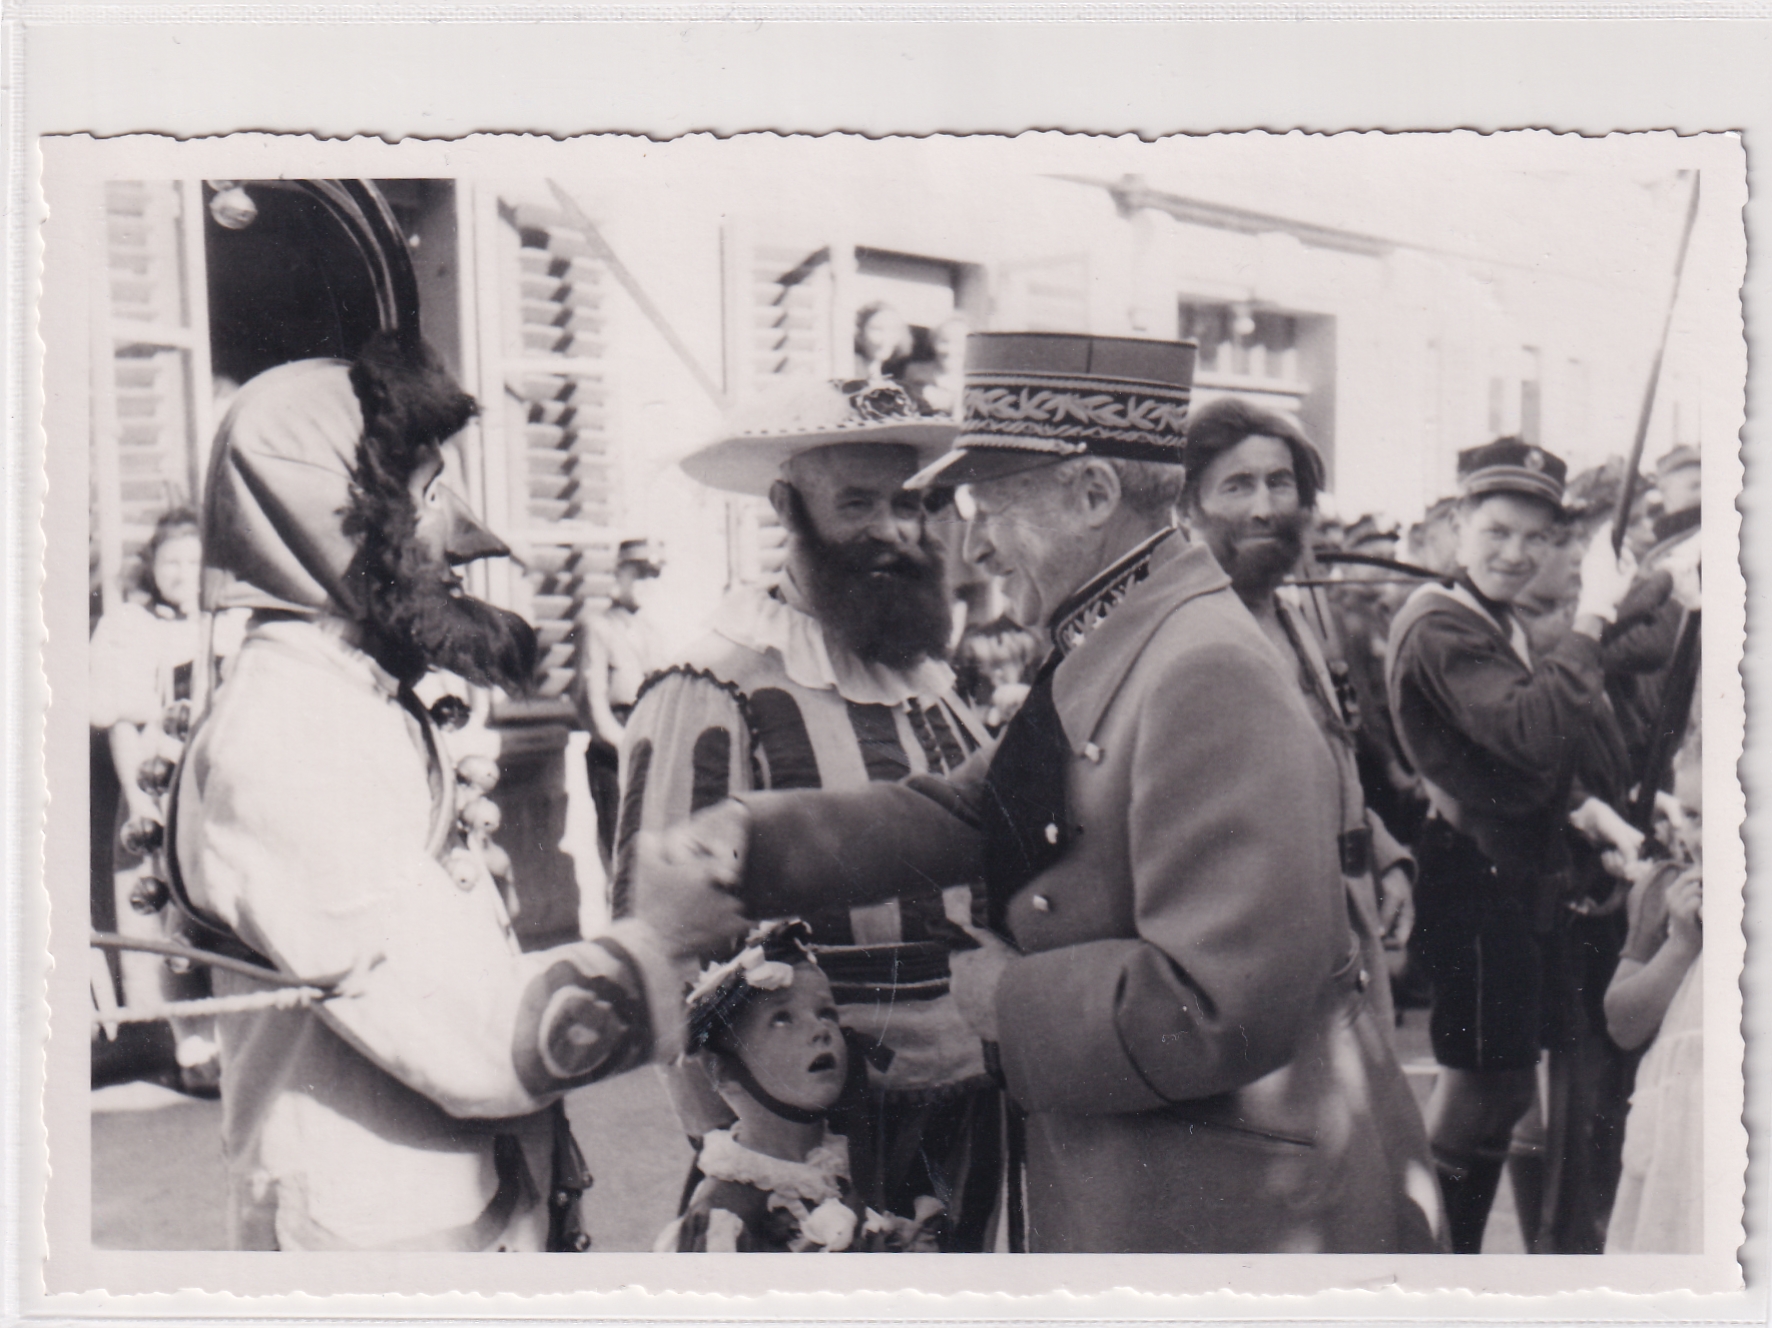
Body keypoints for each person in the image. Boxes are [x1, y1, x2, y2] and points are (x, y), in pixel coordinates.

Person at [646, 332, 1446, 1253]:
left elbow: (1220, 1005)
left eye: (992, 509)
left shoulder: (1201, 669)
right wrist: (753, 841)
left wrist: (1006, 1002)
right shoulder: (1127, 636)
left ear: (1094, 494)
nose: (973, 547)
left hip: (1227, 1211)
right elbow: (967, 809)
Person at [171, 334, 747, 1251]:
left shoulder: (345, 698)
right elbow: (478, 1038)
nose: (464, 534)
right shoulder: (288, 735)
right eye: (428, 491)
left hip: (449, 1211)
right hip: (376, 1244)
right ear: (332, 513)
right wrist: (663, 940)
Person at [615, 375, 1000, 1248]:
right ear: (788, 508)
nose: (895, 531)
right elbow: (665, 952)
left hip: (971, 1103)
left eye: (909, 502)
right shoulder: (714, 684)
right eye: (858, 504)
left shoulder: (933, 684)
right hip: (822, 1134)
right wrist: (759, 1161)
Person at [1385, 437, 1640, 1253]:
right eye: (1497, 531)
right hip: (1472, 881)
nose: (1516, 553)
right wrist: (1595, 617)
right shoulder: (1441, 628)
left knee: (1500, 1093)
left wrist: (1584, 811)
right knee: (1476, 1093)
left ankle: (1443, 1263)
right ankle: (1426, 1271)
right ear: (1459, 523)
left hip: (1506, 874)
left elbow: (1505, 762)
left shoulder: (1488, 618)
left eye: (1536, 538)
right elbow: (1530, 733)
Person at [1179, 397, 1417, 1030]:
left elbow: (1325, 765)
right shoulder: (1188, 630)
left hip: (1346, 925)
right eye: (1236, 486)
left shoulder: (1295, 618)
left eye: (1280, 483)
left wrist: (1384, 854)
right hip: (1263, 952)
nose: (1264, 507)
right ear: (1189, 507)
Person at [657, 920, 944, 1252]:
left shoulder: (845, 1166)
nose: (819, 1030)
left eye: (826, 1013)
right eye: (782, 1019)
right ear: (723, 1070)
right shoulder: (723, 1220)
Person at [90, 507, 219, 1087]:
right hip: (158, 789)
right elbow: (121, 721)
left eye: (193, 562)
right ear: (153, 567)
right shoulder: (131, 628)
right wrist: (141, 804)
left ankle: (224, 1037)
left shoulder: (225, 625)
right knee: (165, 916)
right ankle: (187, 1046)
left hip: (215, 789)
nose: (183, 573)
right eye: (171, 561)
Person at [1603, 687, 1703, 1254]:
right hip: (1673, 1143)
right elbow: (1622, 1023)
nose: (1696, 833)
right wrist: (1682, 944)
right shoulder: (1665, 890)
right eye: (1689, 814)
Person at [581, 538, 669, 870]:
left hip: (651, 745)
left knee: (656, 844)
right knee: (623, 848)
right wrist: (626, 744)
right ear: (619, 575)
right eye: (639, 574)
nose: (646, 584)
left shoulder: (653, 631)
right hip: (614, 748)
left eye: (653, 576)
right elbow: (592, 702)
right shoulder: (599, 627)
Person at [902, 316, 969, 417]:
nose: (951, 350)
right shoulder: (915, 373)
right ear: (933, 342)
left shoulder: (974, 380)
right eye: (944, 341)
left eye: (959, 342)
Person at [853, 302, 914, 382]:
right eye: (877, 329)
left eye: (893, 330)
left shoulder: (880, 375)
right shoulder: (850, 369)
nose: (886, 338)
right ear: (860, 334)